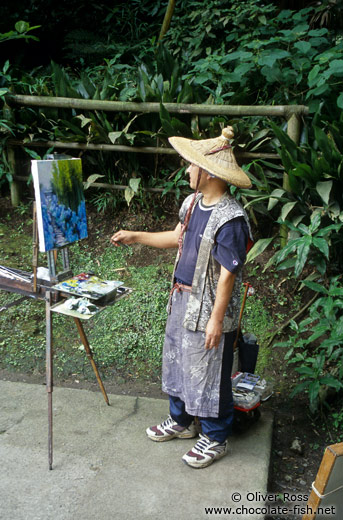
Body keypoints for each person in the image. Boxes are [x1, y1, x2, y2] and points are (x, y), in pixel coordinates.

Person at [110, 126, 253, 469]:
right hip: (181, 299)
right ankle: (181, 421)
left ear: (208, 172)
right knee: (178, 359)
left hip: (210, 308)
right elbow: (177, 238)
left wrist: (217, 321)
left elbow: (227, 276)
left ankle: (216, 437)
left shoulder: (230, 219)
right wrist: (136, 237)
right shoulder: (191, 203)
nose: (187, 170)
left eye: (190, 165)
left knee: (209, 370)